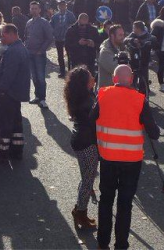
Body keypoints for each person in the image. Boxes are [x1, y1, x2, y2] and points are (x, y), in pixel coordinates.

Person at [91, 65, 160, 250]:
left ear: (114, 79)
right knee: (125, 204)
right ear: (131, 80)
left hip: (108, 157)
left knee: (106, 200)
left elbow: (91, 119)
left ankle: (102, 244)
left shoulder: (103, 94)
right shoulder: (140, 100)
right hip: (132, 160)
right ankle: (121, 245)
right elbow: (154, 133)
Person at [0, 24, 30, 164]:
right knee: (16, 122)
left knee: (5, 123)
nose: (1, 39)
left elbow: (8, 74)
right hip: (16, 93)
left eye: (3, 35)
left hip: (8, 93)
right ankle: (16, 149)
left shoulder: (13, 51)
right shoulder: (20, 48)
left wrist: (1, 90)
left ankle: (3, 152)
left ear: (11, 33)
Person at [64, 66, 98, 229]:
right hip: (87, 142)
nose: (94, 78)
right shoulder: (88, 101)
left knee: (86, 177)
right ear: (85, 82)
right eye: (91, 76)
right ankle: (81, 213)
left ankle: (79, 209)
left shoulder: (81, 96)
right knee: (88, 180)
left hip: (79, 139)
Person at [25, 1, 54, 109]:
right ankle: (37, 96)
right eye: (32, 8)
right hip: (29, 53)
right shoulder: (28, 22)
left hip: (39, 54)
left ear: (40, 10)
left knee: (41, 77)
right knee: (34, 77)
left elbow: (50, 38)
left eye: (36, 8)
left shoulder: (44, 22)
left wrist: (41, 50)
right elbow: (26, 36)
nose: (34, 10)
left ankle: (42, 99)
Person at [50, 0, 76, 78]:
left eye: (63, 5)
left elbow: (74, 24)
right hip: (58, 38)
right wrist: (54, 33)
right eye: (60, 5)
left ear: (66, 6)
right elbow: (51, 25)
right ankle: (62, 71)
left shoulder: (70, 15)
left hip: (68, 38)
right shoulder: (55, 16)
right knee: (60, 56)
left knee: (70, 55)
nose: (62, 7)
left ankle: (71, 72)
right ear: (58, 6)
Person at [97, 24, 125, 89]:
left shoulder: (120, 46)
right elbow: (117, 70)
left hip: (118, 89)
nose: (123, 37)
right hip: (107, 91)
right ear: (112, 36)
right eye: (120, 35)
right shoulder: (105, 52)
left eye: (123, 35)